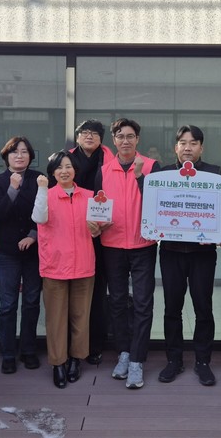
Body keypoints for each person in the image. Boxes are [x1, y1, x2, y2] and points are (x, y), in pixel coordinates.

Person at [154, 125, 221, 386]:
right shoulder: (163, 175)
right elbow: (151, 207)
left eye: (193, 143)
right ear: (176, 147)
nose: (187, 147)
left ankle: (203, 361)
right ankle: (174, 360)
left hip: (202, 253)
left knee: (203, 307)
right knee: (172, 307)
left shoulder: (215, 175)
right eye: (183, 143)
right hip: (171, 251)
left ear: (201, 148)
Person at [93, 118, 160, 389]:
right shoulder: (103, 170)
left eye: (130, 136)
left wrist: (141, 176)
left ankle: (137, 360)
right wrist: (96, 224)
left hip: (143, 245)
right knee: (118, 302)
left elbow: (159, 203)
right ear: (114, 140)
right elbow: (97, 206)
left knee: (143, 303)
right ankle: (123, 352)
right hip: (112, 245)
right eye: (120, 136)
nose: (125, 141)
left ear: (137, 139)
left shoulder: (151, 166)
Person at [32, 151, 96, 388]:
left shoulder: (90, 196)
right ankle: (58, 362)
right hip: (55, 265)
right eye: (59, 167)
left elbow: (99, 227)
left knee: (81, 316)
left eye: (68, 166)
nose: (64, 171)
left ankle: (76, 359)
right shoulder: (45, 195)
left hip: (83, 265)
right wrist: (41, 189)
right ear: (52, 173)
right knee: (56, 318)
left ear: (75, 170)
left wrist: (99, 228)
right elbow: (39, 218)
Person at [0, 136, 44, 374]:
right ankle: (8, 353)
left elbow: (45, 212)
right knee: (8, 304)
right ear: (6, 156)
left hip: (34, 251)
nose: (19, 156)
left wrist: (33, 235)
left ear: (30, 156)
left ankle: (29, 350)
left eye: (24, 151)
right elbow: (1, 211)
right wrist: (12, 188)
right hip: (8, 252)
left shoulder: (39, 179)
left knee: (31, 302)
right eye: (14, 152)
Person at [69, 119, 114, 364]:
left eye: (95, 133)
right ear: (77, 137)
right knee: (73, 291)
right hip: (71, 233)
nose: (89, 136)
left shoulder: (110, 160)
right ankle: (71, 345)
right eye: (85, 132)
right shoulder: (65, 160)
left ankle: (95, 344)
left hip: (101, 233)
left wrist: (101, 222)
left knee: (97, 290)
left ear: (101, 139)